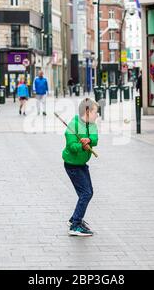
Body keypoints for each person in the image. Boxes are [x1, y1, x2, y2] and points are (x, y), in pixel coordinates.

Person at [62, 98, 99, 237]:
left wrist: (89, 140)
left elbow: (95, 139)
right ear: (87, 112)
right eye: (95, 112)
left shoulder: (92, 125)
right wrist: (81, 146)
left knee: (88, 192)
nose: (97, 115)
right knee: (86, 193)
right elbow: (72, 147)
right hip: (72, 165)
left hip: (82, 164)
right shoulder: (73, 125)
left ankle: (74, 218)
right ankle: (75, 225)